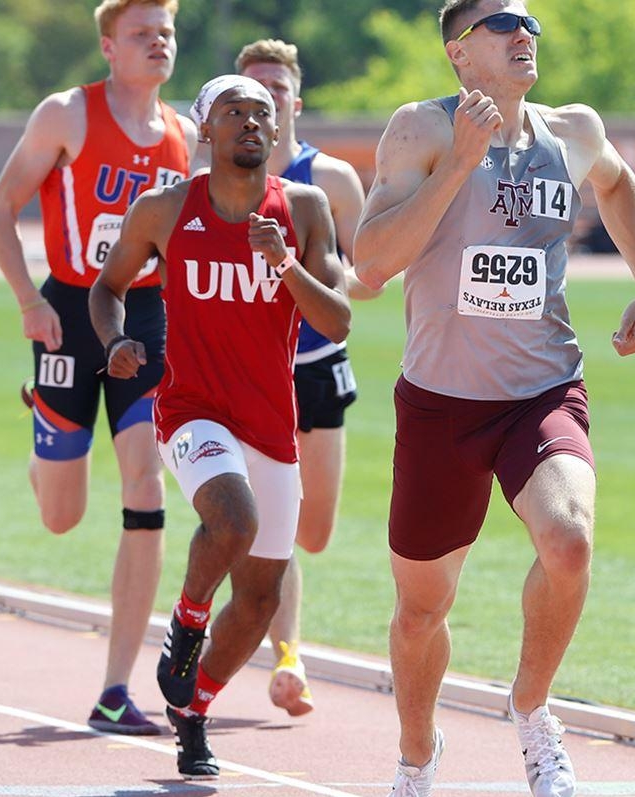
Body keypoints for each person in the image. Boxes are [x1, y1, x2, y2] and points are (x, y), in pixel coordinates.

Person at [351, 2, 635, 796]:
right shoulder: (420, 131)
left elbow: (619, 185)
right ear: (460, 54)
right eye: (500, 23)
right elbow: (373, 262)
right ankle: (418, 754)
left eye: (530, 21)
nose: (524, 33)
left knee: (570, 541)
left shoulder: (575, 131)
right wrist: (461, 163)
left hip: (542, 388)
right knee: (422, 610)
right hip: (441, 402)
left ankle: (532, 711)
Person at [89, 74, 350, 779]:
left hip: (272, 419)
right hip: (193, 409)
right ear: (205, 130)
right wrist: (115, 342)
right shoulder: (165, 209)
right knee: (230, 521)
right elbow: (107, 287)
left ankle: (193, 711)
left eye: (261, 112)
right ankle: (185, 620)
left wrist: (284, 263)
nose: (250, 123)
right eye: (233, 112)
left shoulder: (303, 207)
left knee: (262, 598)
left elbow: (338, 318)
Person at [0, 0, 197, 737]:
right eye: (142, 33)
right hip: (70, 312)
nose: (157, 42)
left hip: (143, 319)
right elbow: (0, 209)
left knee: (146, 481)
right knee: (61, 514)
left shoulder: (185, 136)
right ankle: (43, 420)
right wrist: (25, 303)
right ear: (109, 46)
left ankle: (115, 688)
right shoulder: (66, 115)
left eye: (166, 32)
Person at [235, 37, 382, 718]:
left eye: (277, 89)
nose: (267, 102)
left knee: (313, 529)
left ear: (297, 96)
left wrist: (312, 278)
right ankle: (286, 653)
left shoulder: (332, 179)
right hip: (248, 372)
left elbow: (370, 275)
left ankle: (271, 628)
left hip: (317, 364)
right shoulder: (219, 176)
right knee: (272, 515)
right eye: (252, 92)